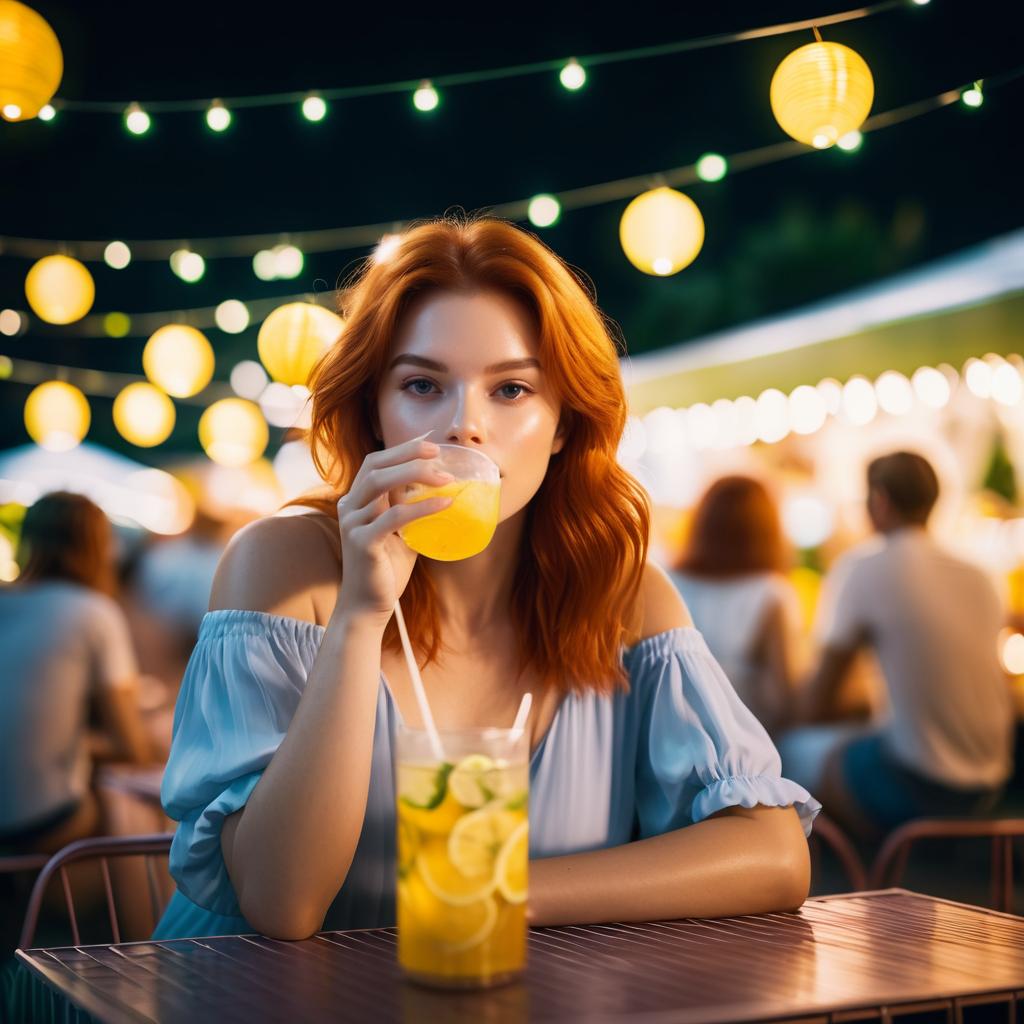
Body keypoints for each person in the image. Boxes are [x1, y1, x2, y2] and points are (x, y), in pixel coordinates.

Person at [153, 215, 819, 942]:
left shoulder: (625, 600)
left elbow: (775, 854)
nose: (464, 426)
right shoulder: (283, 563)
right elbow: (283, 904)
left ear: (564, 422)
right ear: (375, 413)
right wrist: (359, 615)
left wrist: (492, 886)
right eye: (421, 384)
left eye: (510, 391)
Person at [791, 451, 1014, 840]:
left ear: (879, 500)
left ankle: (871, 870)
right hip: (993, 784)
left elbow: (816, 702)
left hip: (918, 785)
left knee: (794, 750)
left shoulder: (865, 567)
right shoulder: (981, 575)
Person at [0, 492, 151, 855]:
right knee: (129, 805)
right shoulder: (94, 613)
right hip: (42, 822)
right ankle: (136, 914)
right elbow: (131, 748)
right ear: (98, 548)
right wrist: (74, 741)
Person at [671, 476, 803, 737]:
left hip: (676, 735)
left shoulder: (670, 583)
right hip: (745, 743)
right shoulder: (772, 593)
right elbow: (787, 695)